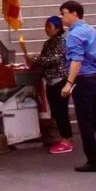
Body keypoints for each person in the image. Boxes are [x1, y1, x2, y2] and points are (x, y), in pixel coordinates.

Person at [60, 0, 96, 172]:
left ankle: (93, 160)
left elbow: (77, 60)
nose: (62, 17)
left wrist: (68, 83)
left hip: (83, 80)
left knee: (85, 122)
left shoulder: (74, 36)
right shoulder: (92, 31)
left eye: (64, 13)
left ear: (75, 13)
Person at [20, 16, 74, 154]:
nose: (47, 29)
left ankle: (67, 139)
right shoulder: (48, 43)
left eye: (49, 26)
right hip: (50, 81)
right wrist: (32, 61)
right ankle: (64, 137)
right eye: (46, 26)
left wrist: (36, 59)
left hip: (60, 80)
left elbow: (54, 60)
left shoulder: (62, 42)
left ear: (57, 28)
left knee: (61, 111)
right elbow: (43, 60)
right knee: (55, 111)